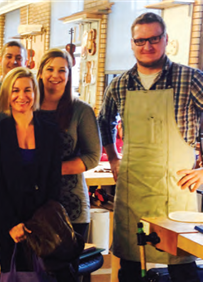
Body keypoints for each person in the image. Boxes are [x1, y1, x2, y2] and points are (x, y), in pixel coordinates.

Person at [98, 12, 203, 282]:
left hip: (175, 191)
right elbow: (104, 121)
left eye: (154, 38)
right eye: (140, 40)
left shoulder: (190, 79)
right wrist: (113, 159)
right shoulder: (120, 85)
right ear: (132, 43)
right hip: (133, 193)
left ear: (165, 39)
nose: (148, 46)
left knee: (183, 269)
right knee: (131, 270)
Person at [0, 67, 75, 280]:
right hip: (10, 224)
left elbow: (54, 181)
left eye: (27, 90)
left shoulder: (51, 131)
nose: (22, 96)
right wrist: (11, 223)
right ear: (7, 94)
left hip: (44, 223)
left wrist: (42, 222)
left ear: (35, 93)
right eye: (15, 90)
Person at [37, 49, 101, 240]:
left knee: (68, 268)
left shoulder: (81, 111)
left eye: (62, 70)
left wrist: (54, 169)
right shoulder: (28, 108)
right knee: (34, 268)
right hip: (33, 205)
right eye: (50, 69)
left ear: (69, 75)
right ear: (40, 73)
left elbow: (92, 157)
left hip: (71, 206)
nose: (55, 75)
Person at [0, 40, 26, 120]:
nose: (13, 61)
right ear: (0, 60)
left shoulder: (32, 94)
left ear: (26, 63)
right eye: (9, 57)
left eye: (19, 58)